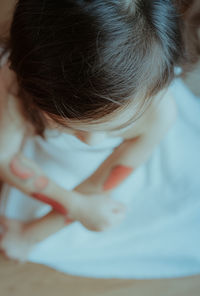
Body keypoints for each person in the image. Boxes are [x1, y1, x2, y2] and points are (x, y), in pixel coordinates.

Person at [0, 0, 199, 262]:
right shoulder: (14, 81)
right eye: (66, 124)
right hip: (44, 150)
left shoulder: (160, 115)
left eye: (116, 127)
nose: (93, 141)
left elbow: (98, 186)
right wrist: (75, 205)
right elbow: (4, 157)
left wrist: (32, 233)